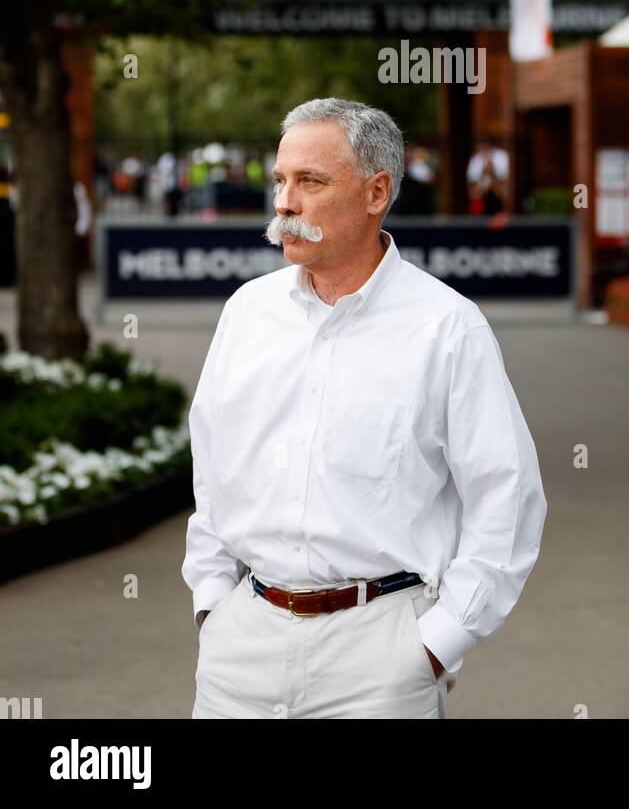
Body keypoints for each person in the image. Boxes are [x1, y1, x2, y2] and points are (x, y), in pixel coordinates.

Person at [182, 97, 547, 720]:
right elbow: (212, 466)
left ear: (376, 192)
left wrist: (436, 643)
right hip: (240, 649)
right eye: (280, 181)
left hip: (380, 658)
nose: (284, 204)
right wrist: (213, 603)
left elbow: (505, 495)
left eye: (310, 182)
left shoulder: (446, 327)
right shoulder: (247, 312)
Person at [466, 137, 509, 215]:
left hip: (497, 191)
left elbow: (504, 177)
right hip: (481, 194)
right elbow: (472, 180)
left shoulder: (501, 156)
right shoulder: (476, 158)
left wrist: (492, 171)